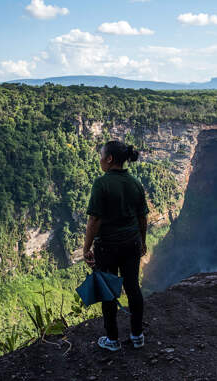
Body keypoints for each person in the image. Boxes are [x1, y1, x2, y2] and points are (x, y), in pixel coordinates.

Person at [82, 140, 149, 351]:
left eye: (101, 155)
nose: (100, 159)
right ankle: (137, 336)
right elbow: (142, 218)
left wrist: (86, 248)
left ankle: (112, 340)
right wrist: (143, 241)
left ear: (109, 159)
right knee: (132, 287)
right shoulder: (135, 182)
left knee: (109, 291)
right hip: (132, 243)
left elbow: (94, 220)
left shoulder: (101, 184)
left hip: (108, 247)